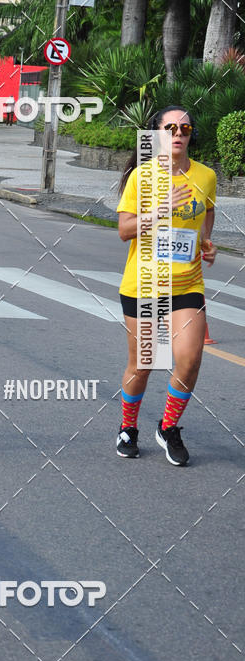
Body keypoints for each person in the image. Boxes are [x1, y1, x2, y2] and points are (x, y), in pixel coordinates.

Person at [115, 106, 217, 466]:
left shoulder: (205, 176)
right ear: (158, 134)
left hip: (187, 284)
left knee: (189, 360)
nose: (178, 132)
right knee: (144, 364)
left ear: (191, 134)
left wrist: (206, 240)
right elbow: (125, 230)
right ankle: (128, 428)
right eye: (171, 127)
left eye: (185, 127)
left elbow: (208, 210)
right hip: (144, 284)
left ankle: (168, 427)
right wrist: (159, 210)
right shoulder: (142, 177)